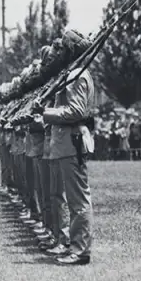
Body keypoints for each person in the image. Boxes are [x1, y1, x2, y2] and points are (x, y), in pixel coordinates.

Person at [35, 30, 96, 266]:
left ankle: (80, 250)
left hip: (72, 141)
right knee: (71, 199)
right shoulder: (72, 74)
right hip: (66, 142)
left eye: (61, 50)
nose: (57, 53)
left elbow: (76, 111)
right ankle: (75, 246)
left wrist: (46, 113)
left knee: (78, 200)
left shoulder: (77, 75)